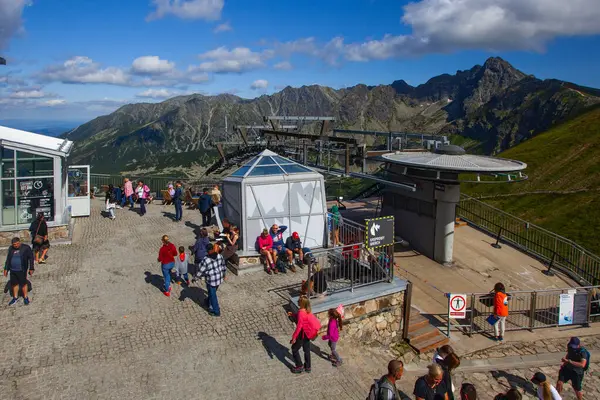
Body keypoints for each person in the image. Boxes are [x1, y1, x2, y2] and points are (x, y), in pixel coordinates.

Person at [289, 295, 320, 374]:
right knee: (306, 350)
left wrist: (294, 338)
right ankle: (308, 367)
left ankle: (299, 366)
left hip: (302, 334)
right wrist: (293, 315)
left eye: (299, 301)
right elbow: (303, 319)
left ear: (302, 303)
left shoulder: (300, 313)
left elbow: (299, 327)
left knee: (294, 349)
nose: (297, 301)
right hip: (308, 333)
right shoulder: (307, 310)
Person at [196, 243, 226, 317]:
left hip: (211, 280)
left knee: (213, 295)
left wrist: (195, 278)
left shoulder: (206, 260)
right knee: (212, 292)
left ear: (207, 250)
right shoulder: (220, 256)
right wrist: (224, 275)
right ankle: (207, 301)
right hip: (219, 278)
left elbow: (200, 271)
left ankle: (216, 311)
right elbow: (223, 266)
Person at [3, 237, 34, 306]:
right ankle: (15, 297)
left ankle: (25, 297)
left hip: (22, 270)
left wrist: (31, 268)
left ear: (19, 242)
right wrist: (6, 269)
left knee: (23, 284)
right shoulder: (11, 248)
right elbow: (8, 259)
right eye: (14, 244)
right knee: (14, 284)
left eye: (17, 244)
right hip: (13, 270)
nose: (16, 245)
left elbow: (31, 258)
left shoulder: (26, 248)